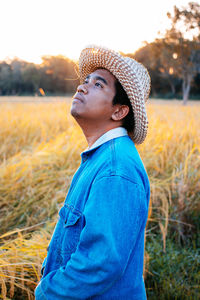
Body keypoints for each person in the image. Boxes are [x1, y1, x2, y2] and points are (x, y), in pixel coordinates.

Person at [35, 45, 151, 300]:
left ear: (119, 111)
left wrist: (46, 292)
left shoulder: (115, 169)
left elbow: (99, 264)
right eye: (85, 80)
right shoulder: (101, 157)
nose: (82, 87)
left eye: (98, 84)